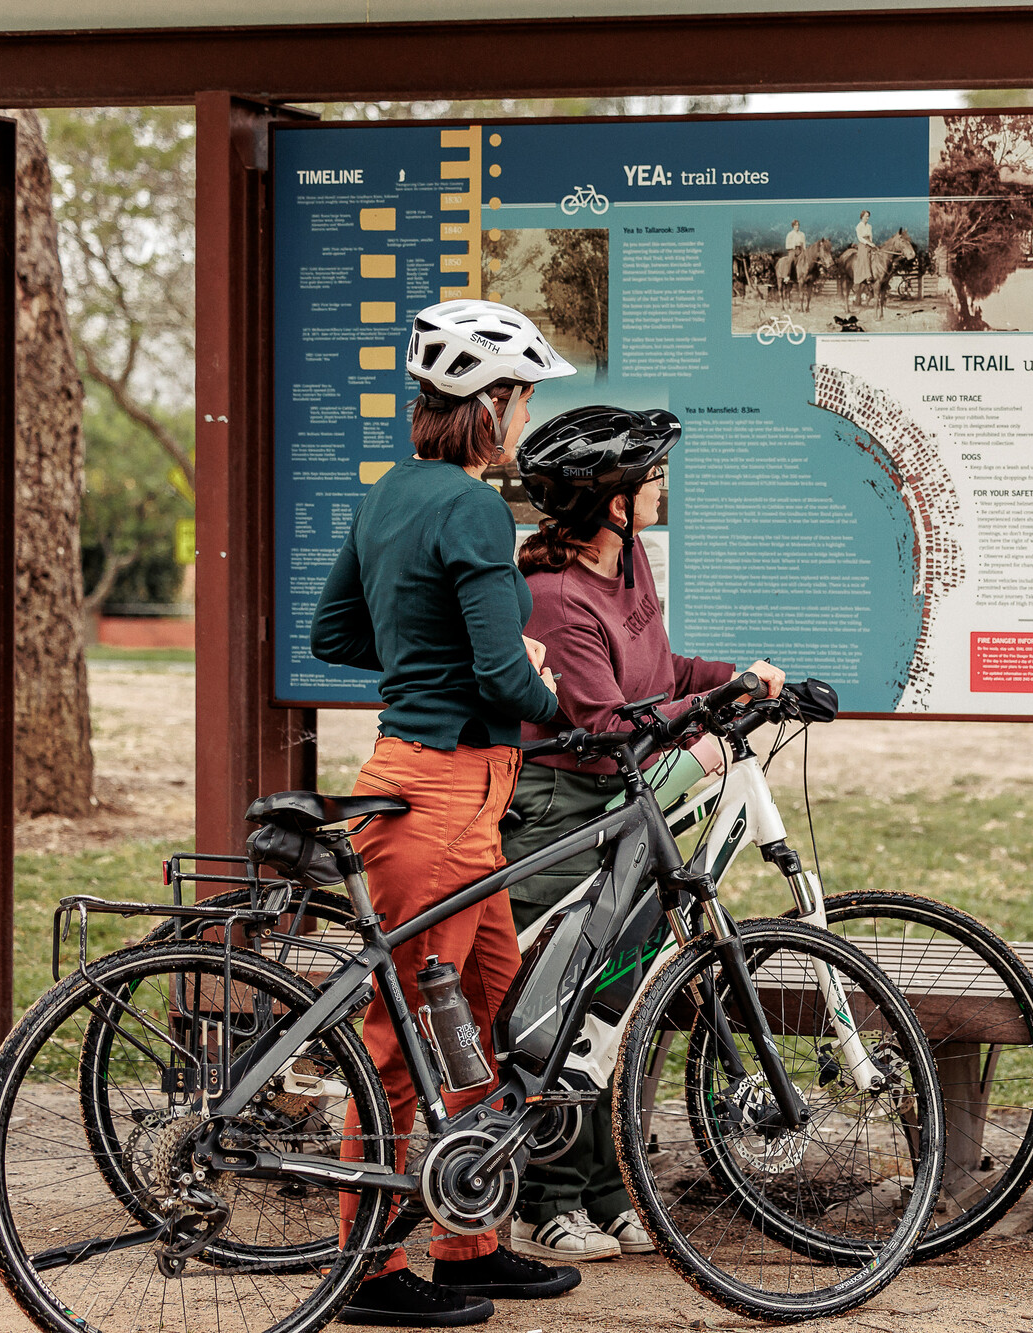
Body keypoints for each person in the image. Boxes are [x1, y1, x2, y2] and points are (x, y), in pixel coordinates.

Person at [311, 298, 582, 1328]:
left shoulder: (390, 495)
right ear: (492, 405)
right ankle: (368, 1272)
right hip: (438, 792)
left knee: (483, 1009)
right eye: (520, 400)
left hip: (443, 781)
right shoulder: (475, 510)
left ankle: (468, 1244)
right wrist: (558, 704)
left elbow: (338, 628)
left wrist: (430, 661)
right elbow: (503, 674)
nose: (521, 420)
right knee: (396, 1038)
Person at [497, 404, 785, 1263]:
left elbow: (659, 672)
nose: (663, 486)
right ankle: (545, 1194)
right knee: (567, 997)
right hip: (566, 804)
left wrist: (733, 678)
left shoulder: (630, 567)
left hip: (633, 803)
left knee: (616, 997)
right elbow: (606, 716)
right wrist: (708, 707)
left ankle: (603, 1185)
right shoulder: (552, 595)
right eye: (650, 476)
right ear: (610, 499)